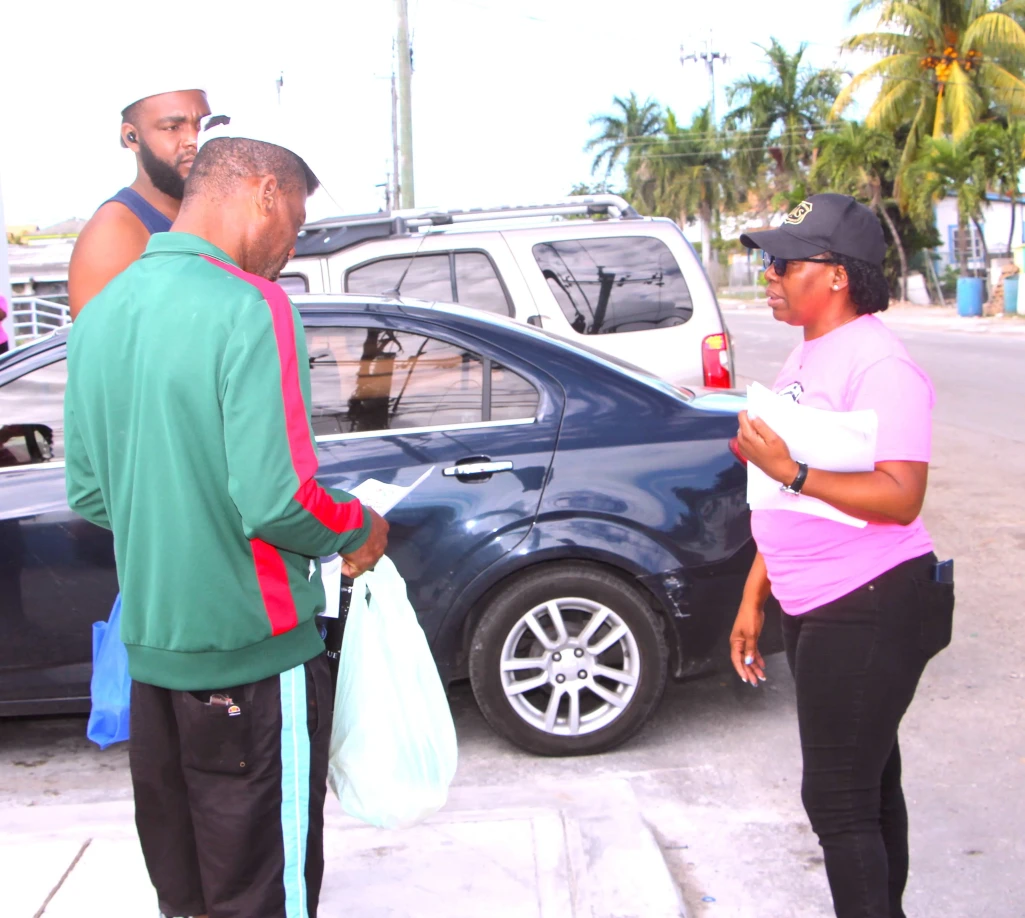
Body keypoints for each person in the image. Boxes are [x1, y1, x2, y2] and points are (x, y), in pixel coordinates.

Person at [64, 135, 389, 918]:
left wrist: (180, 522)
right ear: (263, 192)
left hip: (153, 661)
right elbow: (277, 500)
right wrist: (359, 528)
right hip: (255, 653)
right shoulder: (251, 305)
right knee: (263, 893)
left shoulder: (103, 312)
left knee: (188, 892)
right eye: (298, 223)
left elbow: (88, 492)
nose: (291, 246)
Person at [729, 193, 954, 918]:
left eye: (782, 262)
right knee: (868, 784)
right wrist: (752, 595)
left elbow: (899, 495)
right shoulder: (807, 351)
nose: (767, 274)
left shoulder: (881, 363)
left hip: (870, 600)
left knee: (837, 799)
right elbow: (789, 501)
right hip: (815, 598)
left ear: (833, 275)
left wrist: (789, 467)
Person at [68, 81, 223, 318]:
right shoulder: (113, 233)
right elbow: (100, 350)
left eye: (202, 125)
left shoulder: (218, 213)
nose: (193, 139)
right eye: (173, 127)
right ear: (132, 137)